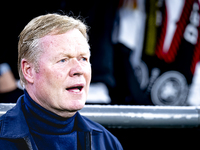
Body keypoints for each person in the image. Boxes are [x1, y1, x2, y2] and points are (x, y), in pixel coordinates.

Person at [0, 13, 123, 150]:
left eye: (83, 59)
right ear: (29, 71)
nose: (78, 70)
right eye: (63, 60)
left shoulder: (107, 143)